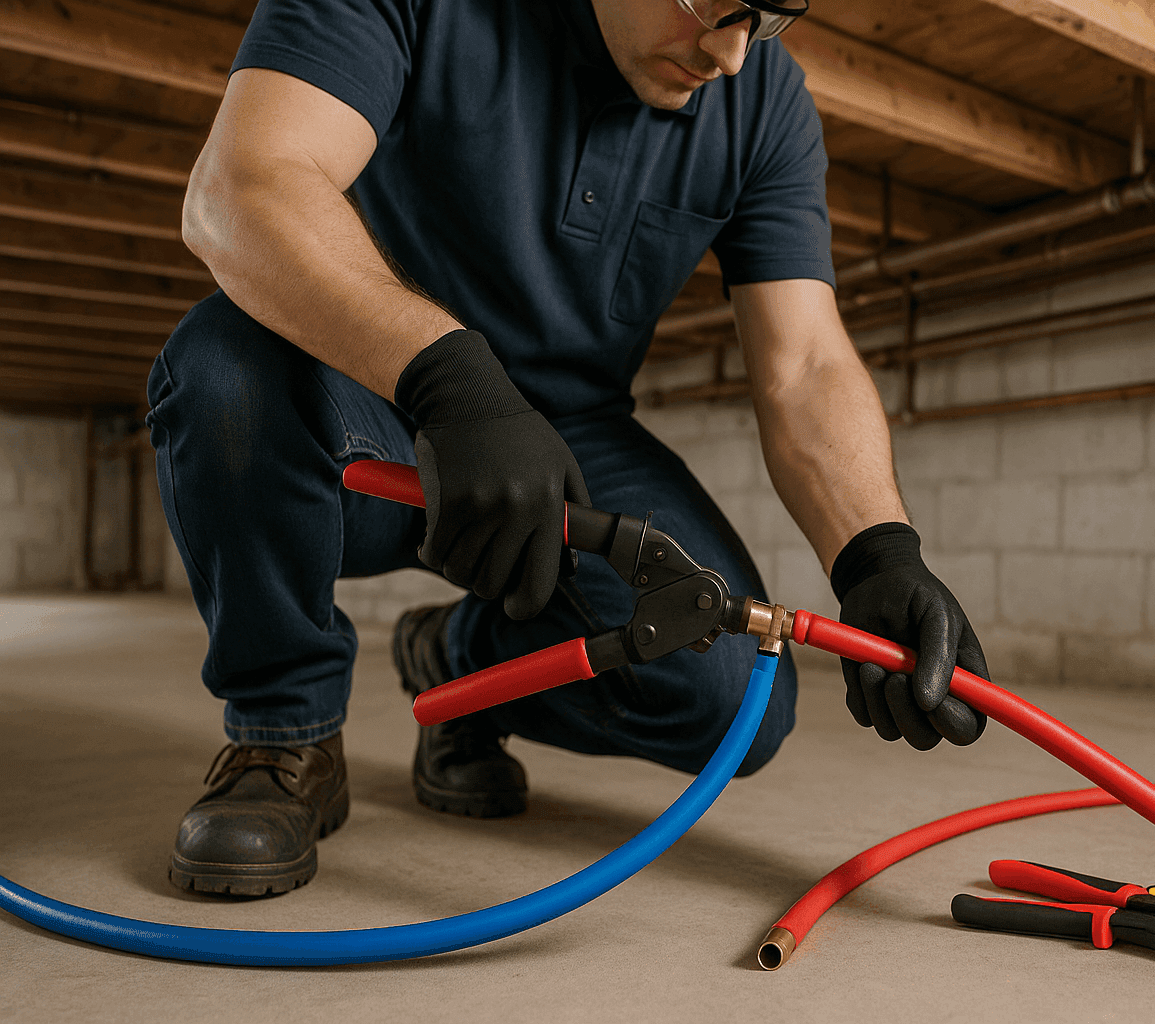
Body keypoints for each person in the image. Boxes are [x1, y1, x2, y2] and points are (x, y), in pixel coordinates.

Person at [147, 0, 989, 897]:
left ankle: (455, 662)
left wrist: (877, 555)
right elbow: (245, 185)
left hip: (577, 443)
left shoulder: (766, 103)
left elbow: (806, 362)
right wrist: (453, 383)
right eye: (711, 3)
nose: (733, 55)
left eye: (766, 19)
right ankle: (284, 735)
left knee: (728, 685)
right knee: (224, 368)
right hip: (379, 398)